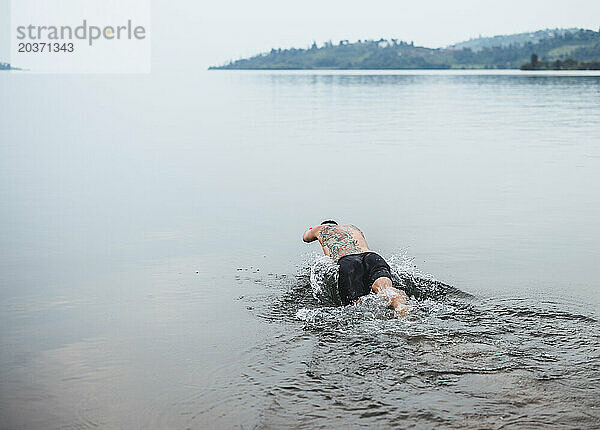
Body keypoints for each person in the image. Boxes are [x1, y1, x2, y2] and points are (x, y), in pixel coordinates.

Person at [302, 220, 408, 316]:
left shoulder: (320, 229)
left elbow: (305, 237)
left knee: (354, 307)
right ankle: (404, 312)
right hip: (371, 257)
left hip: (348, 262)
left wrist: (311, 230)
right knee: (386, 290)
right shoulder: (352, 228)